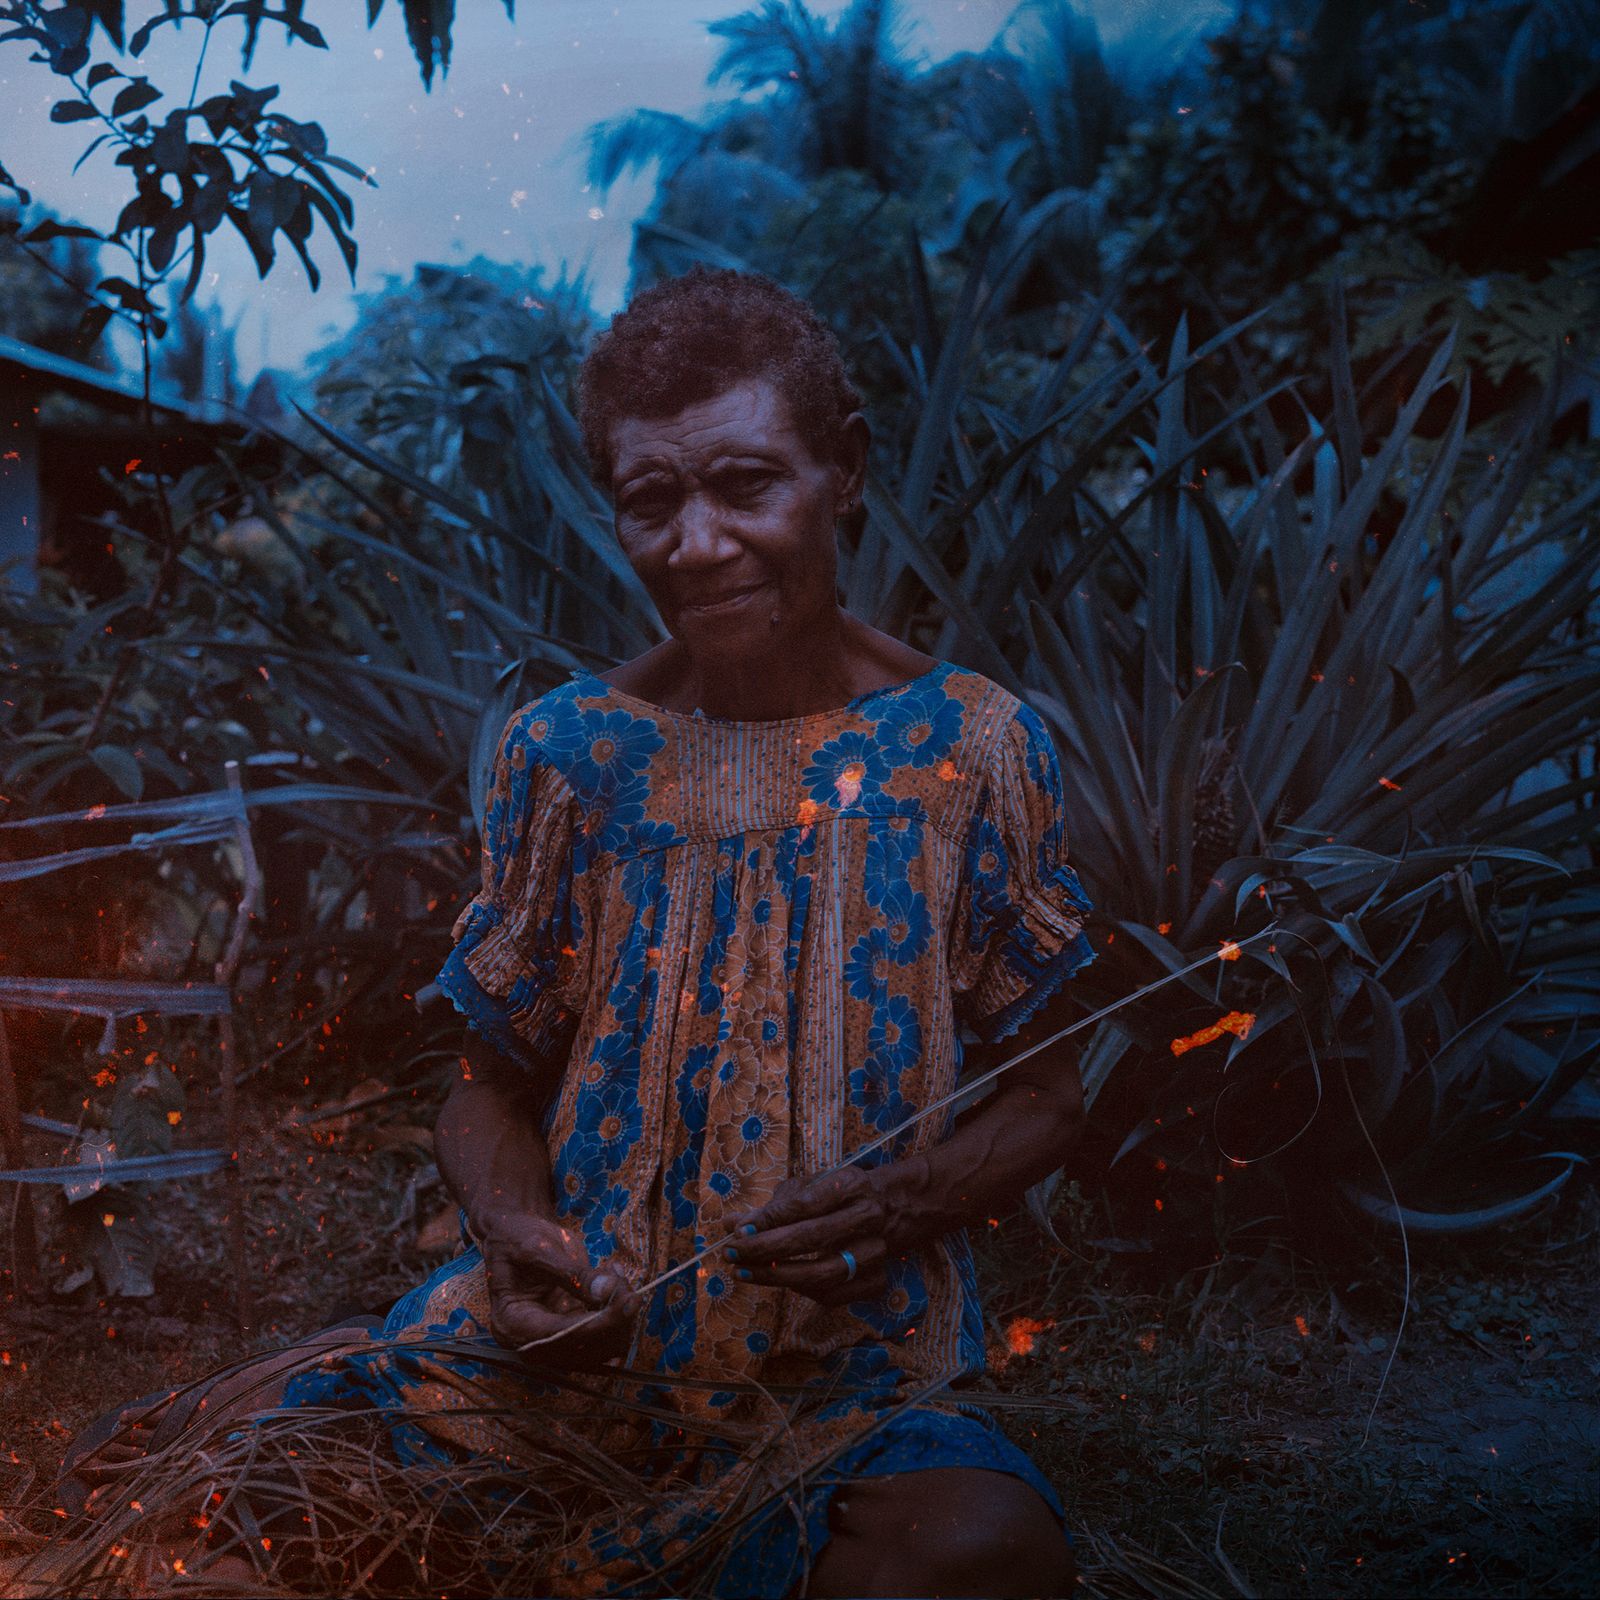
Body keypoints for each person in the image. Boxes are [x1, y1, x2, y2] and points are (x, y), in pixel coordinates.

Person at [57, 267, 1097, 1598]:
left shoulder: (974, 749)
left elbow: (1053, 1097)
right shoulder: (572, 754)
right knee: (217, 1522)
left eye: (747, 484)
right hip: (546, 1373)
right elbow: (485, 1089)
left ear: (844, 472)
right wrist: (516, 1229)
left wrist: (906, 1201)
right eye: (653, 502)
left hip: (834, 1396)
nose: (699, 543)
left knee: (975, 1553)